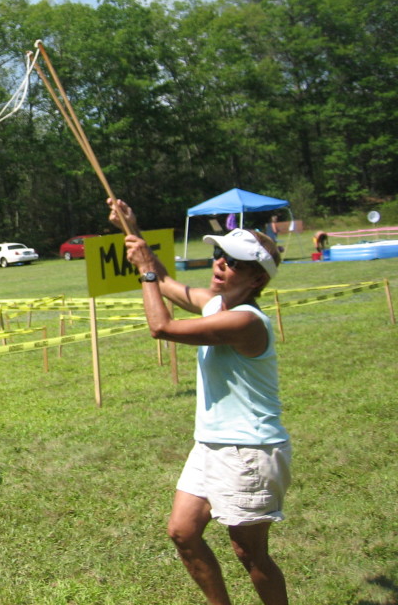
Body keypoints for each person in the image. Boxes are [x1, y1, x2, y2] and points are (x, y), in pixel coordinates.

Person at [107, 198, 291, 605]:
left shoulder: (244, 320)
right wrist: (131, 227)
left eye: (235, 262)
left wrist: (143, 271)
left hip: (251, 450)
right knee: (183, 532)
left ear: (258, 279)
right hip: (211, 444)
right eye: (219, 255)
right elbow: (168, 282)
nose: (221, 264)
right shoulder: (216, 303)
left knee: (249, 552)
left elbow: (162, 326)